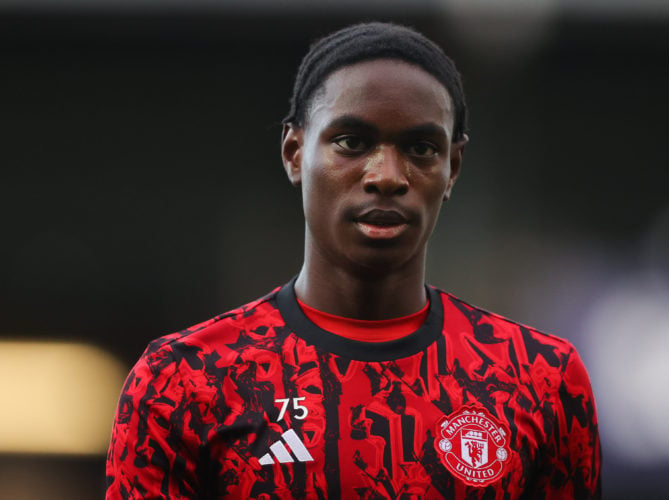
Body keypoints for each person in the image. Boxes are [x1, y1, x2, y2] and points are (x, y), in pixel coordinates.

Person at [106, 22, 601, 499]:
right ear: (294, 152)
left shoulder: (541, 380)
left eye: (421, 148)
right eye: (352, 142)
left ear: (453, 168)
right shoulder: (182, 382)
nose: (386, 175)